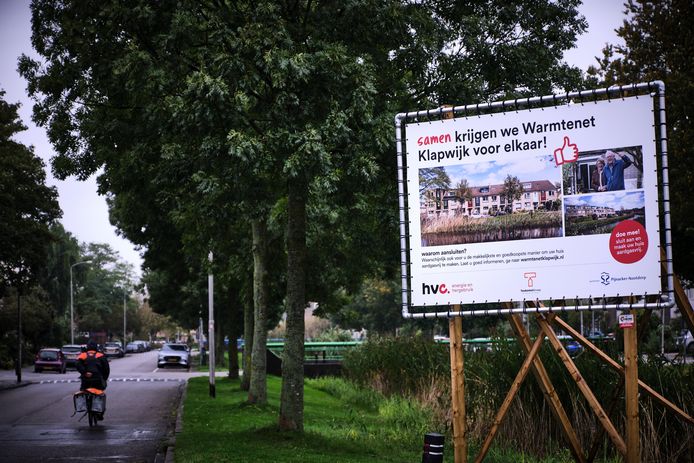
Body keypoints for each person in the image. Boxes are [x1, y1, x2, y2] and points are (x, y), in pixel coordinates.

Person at [76, 340, 110, 419]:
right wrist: (104, 378)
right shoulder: (100, 355)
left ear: (87, 347)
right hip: (98, 380)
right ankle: (100, 413)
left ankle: (86, 406)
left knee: (84, 391)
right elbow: (106, 369)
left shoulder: (83, 355)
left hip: (86, 380)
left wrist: (84, 373)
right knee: (100, 394)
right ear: (96, 347)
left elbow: (77, 365)